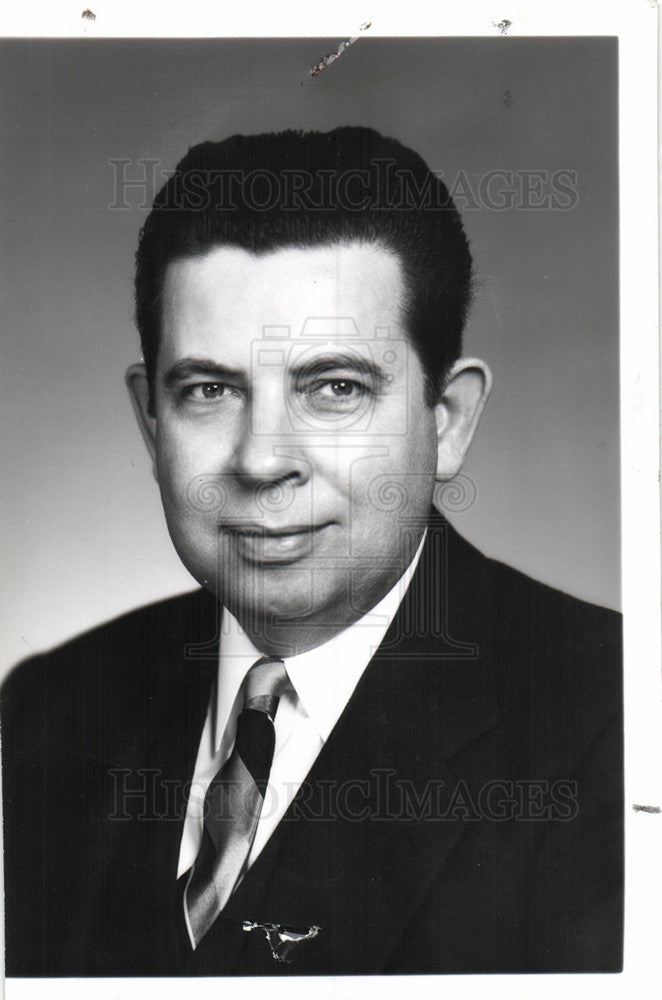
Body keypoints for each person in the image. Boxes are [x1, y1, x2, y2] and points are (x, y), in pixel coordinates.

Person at [1, 127, 623, 977]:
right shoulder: (46, 709)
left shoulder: (619, 720)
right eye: (209, 390)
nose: (262, 459)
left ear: (448, 421)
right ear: (153, 422)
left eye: (335, 388)